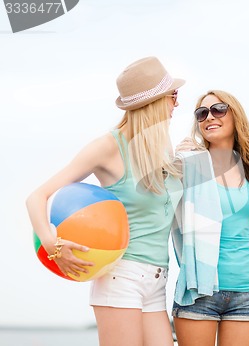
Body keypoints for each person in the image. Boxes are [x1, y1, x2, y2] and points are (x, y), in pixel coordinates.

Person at [26, 56, 184, 346]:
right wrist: (52, 244)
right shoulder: (109, 147)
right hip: (121, 277)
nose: (177, 104)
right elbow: (37, 197)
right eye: (173, 96)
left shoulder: (161, 151)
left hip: (158, 279)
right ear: (155, 102)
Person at [171, 90, 249, 346]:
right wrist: (173, 163)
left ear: (234, 115)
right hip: (200, 290)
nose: (209, 117)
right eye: (202, 113)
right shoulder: (190, 164)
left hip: (248, 290)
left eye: (218, 109)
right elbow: (158, 203)